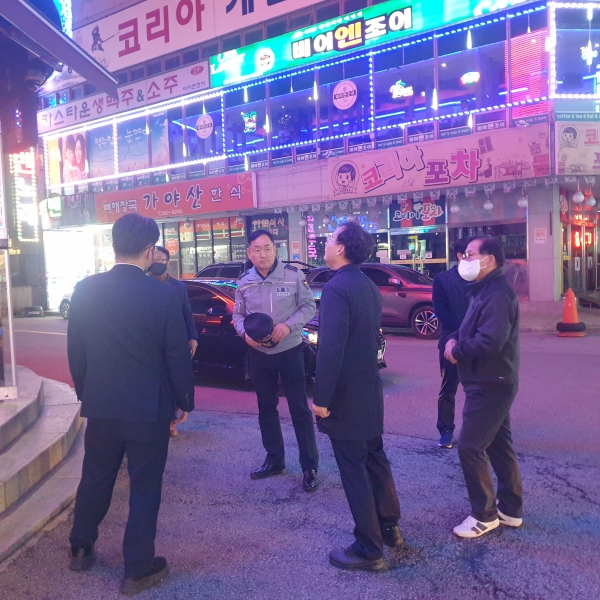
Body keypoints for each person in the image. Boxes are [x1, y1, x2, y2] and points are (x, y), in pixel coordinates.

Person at [67, 213, 195, 595]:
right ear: (150, 250)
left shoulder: (85, 290)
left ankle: (80, 547)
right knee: (144, 486)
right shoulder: (165, 295)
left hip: (102, 405)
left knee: (95, 476)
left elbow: (76, 352)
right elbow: (176, 354)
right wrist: (184, 399)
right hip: (149, 409)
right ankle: (137, 568)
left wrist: (87, 392)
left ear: (114, 245)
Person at [312, 222, 402, 572]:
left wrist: (321, 397)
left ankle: (369, 548)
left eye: (331, 238)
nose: (326, 242)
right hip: (369, 388)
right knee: (375, 459)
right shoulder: (366, 284)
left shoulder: (336, 288)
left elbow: (330, 348)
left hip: (346, 395)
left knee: (354, 468)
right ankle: (390, 527)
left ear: (342, 248)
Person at [444, 236, 523, 539]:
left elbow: (490, 341)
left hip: (490, 382)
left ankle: (484, 515)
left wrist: (457, 350)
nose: (464, 260)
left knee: (470, 447)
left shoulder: (497, 294)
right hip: (490, 380)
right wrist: (455, 337)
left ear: (489, 259)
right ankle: (510, 510)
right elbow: (473, 329)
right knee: (499, 445)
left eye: (470, 255)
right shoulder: (484, 290)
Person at [233, 229, 319, 492]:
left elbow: (309, 307)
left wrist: (288, 325)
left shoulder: (293, 276)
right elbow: (238, 315)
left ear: (275, 249)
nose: (263, 254)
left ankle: (309, 467)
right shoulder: (244, 281)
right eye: (257, 249)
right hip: (259, 354)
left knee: (299, 409)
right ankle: (274, 460)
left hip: (290, 350)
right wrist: (244, 334)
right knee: (266, 408)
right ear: (249, 253)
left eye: (267, 248)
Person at [148, 246, 199, 436]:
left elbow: (187, 313)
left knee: (175, 381)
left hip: (175, 343)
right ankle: (158, 420)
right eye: (154, 260)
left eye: (161, 260)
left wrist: (193, 337)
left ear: (168, 263)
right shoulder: (143, 285)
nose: (157, 263)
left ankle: (170, 420)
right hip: (151, 343)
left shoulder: (179, 287)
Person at [432, 236, 471, 449]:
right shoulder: (443, 280)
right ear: (459, 255)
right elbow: (441, 311)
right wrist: (462, 331)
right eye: (472, 253)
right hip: (450, 343)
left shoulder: (482, 280)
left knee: (478, 390)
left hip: (478, 342)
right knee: (448, 388)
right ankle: (446, 430)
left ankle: (478, 431)